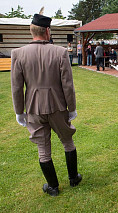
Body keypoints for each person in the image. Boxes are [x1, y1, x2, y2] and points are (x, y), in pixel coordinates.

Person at [11, 14, 81, 197]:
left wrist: (19, 112)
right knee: (67, 141)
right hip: (58, 106)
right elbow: (67, 85)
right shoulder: (60, 52)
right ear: (47, 31)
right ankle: (73, 178)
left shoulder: (18, 53)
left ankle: (53, 187)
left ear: (31, 31)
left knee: (43, 147)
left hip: (33, 108)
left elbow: (17, 87)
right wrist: (71, 108)